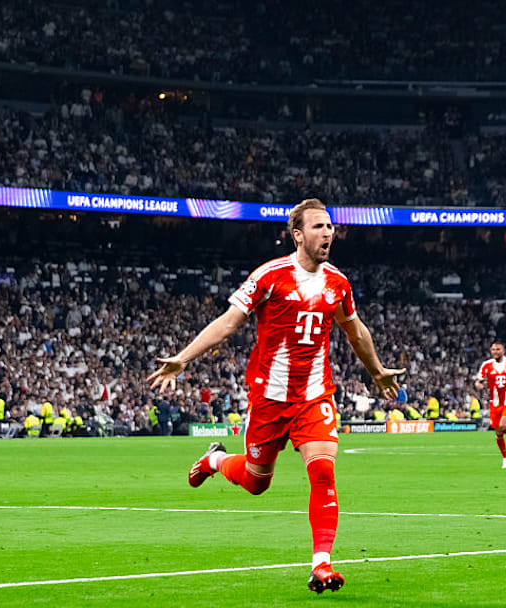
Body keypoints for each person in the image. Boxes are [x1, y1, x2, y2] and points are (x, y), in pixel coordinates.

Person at [146, 198, 404, 594]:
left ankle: (321, 564)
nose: (328, 234)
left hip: (314, 396)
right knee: (255, 481)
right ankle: (215, 459)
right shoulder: (269, 276)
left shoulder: (338, 282)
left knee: (322, 470)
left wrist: (376, 370)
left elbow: (355, 330)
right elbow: (229, 323)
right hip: (269, 399)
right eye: (318, 227)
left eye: (330, 227)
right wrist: (183, 359)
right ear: (297, 235)